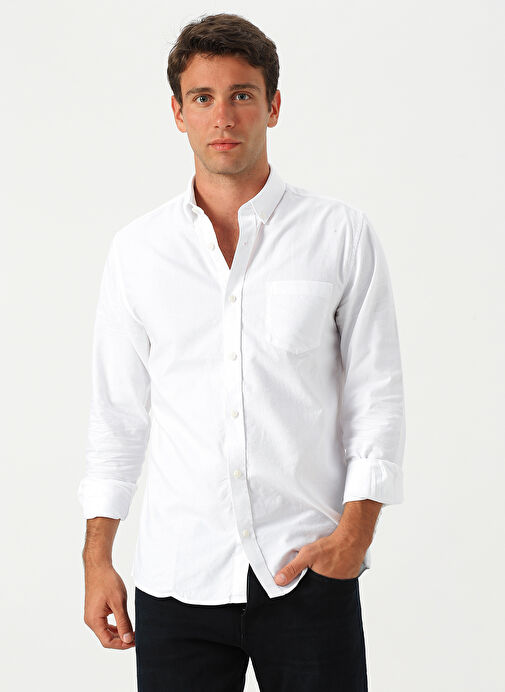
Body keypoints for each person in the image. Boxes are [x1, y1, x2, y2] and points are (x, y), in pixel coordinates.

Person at [78, 12, 406, 692]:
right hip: (178, 578)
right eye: (202, 98)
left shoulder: (339, 235)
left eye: (241, 95)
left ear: (273, 106)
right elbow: (118, 415)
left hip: (307, 573)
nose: (222, 116)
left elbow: (376, 396)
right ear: (178, 113)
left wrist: (355, 536)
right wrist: (97, 556)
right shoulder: (137, 253)